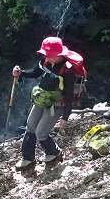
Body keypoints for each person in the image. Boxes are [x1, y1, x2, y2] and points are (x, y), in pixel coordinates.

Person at [12, 36, 87, 172]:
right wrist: (21, 73)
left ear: (58, 54)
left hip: (57, 104)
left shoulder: (67, 70)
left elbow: (69, 96)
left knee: (41, 132)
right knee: (30, 125)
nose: (47, 57)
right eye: (46, 54)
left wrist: (65, 117)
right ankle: (27, 158)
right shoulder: (46, 62)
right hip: (42, 98)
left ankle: (54, 154)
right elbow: (35, 73)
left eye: (49, 55)